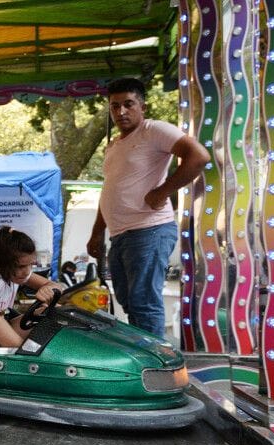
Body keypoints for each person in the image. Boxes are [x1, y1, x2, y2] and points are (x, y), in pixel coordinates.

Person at [88, 77, 210, 338]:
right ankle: (144, 352)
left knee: (144, 303)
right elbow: (109, 191)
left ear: (142, 107)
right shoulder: (114, 145)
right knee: (129, 302)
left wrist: (163, 191)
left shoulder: (153, 130)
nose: (121, 111)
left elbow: (199, 156)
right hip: (120, 235)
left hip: (148, 229)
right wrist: (97, 232)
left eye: (128, 104)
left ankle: (156, 358)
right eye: (115, 106)